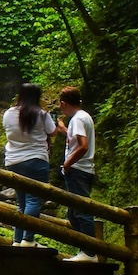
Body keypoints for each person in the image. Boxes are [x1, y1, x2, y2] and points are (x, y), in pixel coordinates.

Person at [2, 83, 56, 247]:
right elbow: (52, 132)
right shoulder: (41, 114)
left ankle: (18, 240)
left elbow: (8, 131)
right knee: (33, 200)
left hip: (14, 162)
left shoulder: (8, 113)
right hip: (36, 160)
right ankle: (28, 239)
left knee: (22, 203)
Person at [56, 86, 98, 262]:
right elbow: (77, 139)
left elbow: (83, 146)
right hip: (82, 169)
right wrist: (64, 129)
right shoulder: (82, 117)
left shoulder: (78, 119)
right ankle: (85, 250)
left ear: (64, 103)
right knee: (74, 213)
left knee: (81, 211)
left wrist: (67, 164)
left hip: (78, 170)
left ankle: (89, 253)